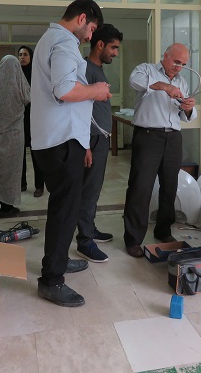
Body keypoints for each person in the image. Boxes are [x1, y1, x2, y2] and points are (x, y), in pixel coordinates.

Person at [31, 0, 112, 307]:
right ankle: (52, 280)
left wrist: (83, 142)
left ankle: (59, 260)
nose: (90, 36)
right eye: (91, 29)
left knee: (62, 207)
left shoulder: (50, 39)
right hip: (61, 141)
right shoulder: (64, 43)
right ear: (81, 19)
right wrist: (97, 91)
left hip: (58, 139)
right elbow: (64, 90)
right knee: (65, 211)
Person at [123, 43, 197, 258]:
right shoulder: (146, 69)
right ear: (165, 56)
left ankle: (163, 230)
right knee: (141, 187)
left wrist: (188, 107)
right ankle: (133, 239)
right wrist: (164, 87)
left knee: (169, 187)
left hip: (173, 138)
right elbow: (134, 81)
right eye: (176, 62)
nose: (179, 67)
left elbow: (185, 116)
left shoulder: (182, 81)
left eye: (183, 64)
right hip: (148, 136)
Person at [75, 24, 124, 263]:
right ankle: (84, 242)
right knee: (88, 192)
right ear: (100, 45)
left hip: (99, 138)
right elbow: (80, 109)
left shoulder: (97, 69)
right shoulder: (86, 70)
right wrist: (85, 145)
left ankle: (89, 229)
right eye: (113, 48)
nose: (116, 53)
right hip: (91, 139)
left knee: (93, 191)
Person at [0, 55, 30, 218]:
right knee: (10, 172)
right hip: (13, 137)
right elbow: (27, 97)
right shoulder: (18, 83)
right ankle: (7, 206)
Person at [18, 45, 45, 197]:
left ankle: (39, 186)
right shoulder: (16, 75)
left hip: (34, 119)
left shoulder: (36, 75)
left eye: (25, 54)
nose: (22, 57)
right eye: (20, 55)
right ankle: (21, 183)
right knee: (19, 153)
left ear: (31, 57)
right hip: (19, 119)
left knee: (36, 154)